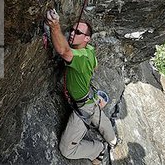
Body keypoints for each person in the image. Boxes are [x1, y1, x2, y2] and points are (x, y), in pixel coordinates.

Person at [45, 10, 117, 165]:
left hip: (82, 106)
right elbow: (95, 66)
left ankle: (98, 148)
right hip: (88, 99)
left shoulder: (80, 58)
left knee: (66, 150)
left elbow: (63, 51)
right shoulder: (89, 50)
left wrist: (55, 26)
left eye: (77, 32)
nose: (72, 33)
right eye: (72, 30)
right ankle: (112, 139)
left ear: (86, 38)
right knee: (97, 114)